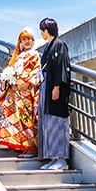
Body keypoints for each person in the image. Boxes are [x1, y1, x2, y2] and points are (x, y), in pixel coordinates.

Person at [0, 27, 41, 155]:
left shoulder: (34, 54)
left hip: (26, 91)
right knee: (16, 119)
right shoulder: (18, 56)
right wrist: (8, 78)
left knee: (26, 119)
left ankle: (31, 147)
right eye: (23, 39)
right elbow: (13, 71)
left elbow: (36, 71)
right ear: (20, 42)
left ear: (33, 41)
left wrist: (27, 83)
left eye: (29, 39)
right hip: (15, 92)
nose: (26, 42)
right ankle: (21, 145)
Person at [38, 17, 71, 170]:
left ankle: (61, 159)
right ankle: (52, 158)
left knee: (58, 123)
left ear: (47, 30)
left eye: (42, 30)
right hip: (46, 87)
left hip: (55, 88)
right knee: (49, 123)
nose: (41, 34)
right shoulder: (48, 47)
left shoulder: (60, 45)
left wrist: (57, 86)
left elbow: (60, 67)